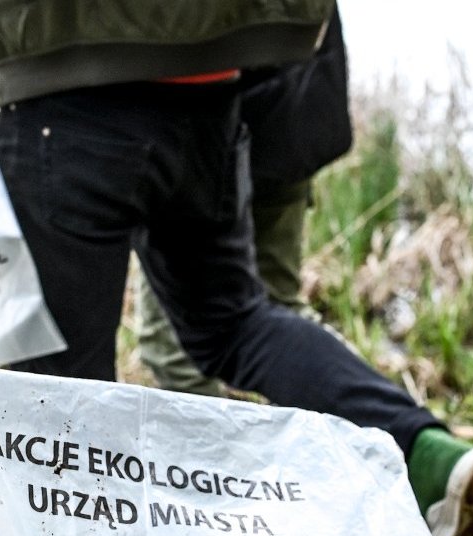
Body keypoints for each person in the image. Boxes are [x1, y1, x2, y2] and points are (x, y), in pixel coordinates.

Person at [0, 0, 473, 536]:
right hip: (210, 88)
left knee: (56, 384)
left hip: (71, 100)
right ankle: (425, 453)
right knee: (234, 323)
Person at [131, 9, 351, 399]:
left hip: (207, 132)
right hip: (285, 114)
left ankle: (369, 417)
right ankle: (376, 418)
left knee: (175, 345)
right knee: (277, 314)